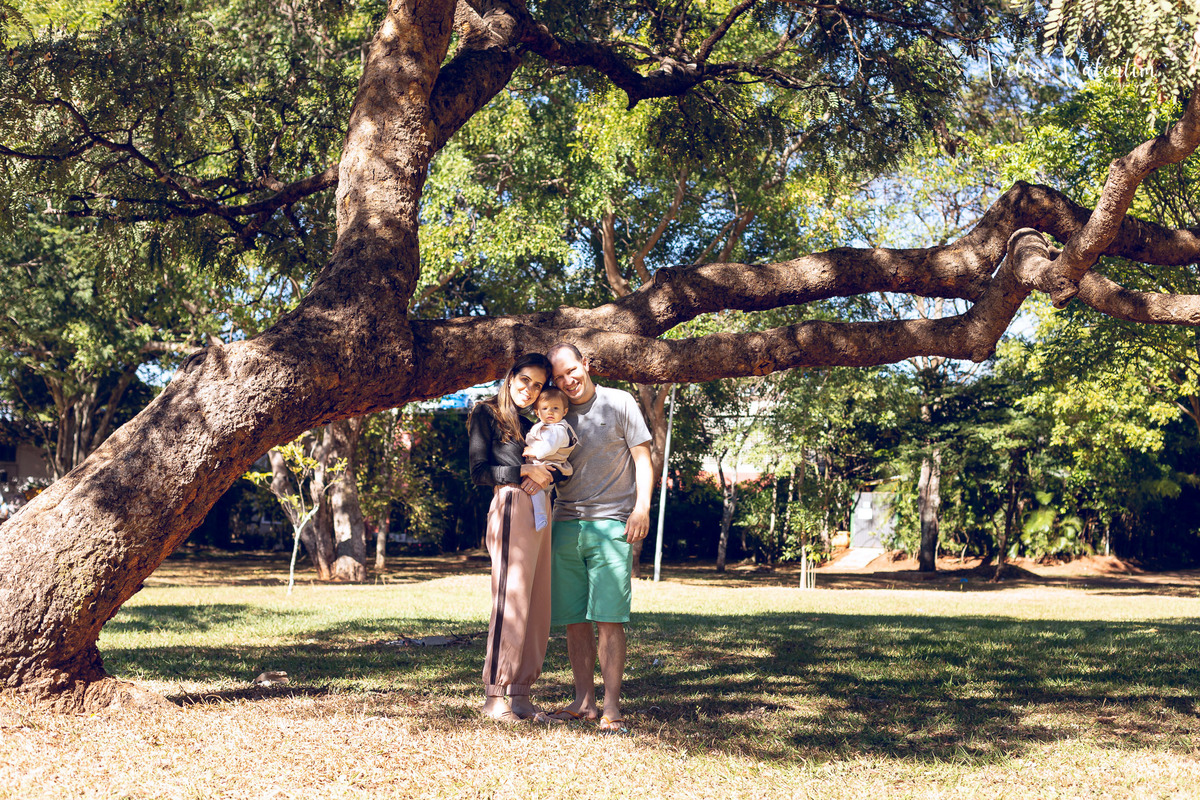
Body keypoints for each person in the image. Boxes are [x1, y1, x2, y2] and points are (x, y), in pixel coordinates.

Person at [545, 343, 653, 731]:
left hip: (612, 524)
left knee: (609, 618)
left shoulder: (619, 402)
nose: (567, 381)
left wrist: (641, 508)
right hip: (565, 523)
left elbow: (643, 457)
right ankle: (584, 701)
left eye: (572, 370)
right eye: (558, 376)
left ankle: (611, 706)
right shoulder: (554, 412)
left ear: (586, 364)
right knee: (574, 619)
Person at [467, 353, 564, 721]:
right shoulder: (486, 412)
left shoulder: (534, 423)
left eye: (538, 385)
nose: (530, 390)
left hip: (542, 509)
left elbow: (555, 467)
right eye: (525, 380)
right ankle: (495, 695)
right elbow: (479, 471)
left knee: (538, 604)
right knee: (512, 599)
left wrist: (549, 475)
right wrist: (523, 469)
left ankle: (521, 693)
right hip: (511, 508)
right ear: (510, 376)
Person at [523, 387, 577, 531]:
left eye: (555, 408)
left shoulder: (558, 430)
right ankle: (538, 516)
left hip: (551, 466)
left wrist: (533, 452)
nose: (550, 412)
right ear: (537, 412)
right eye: (545, 408)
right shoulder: (541, 426)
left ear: (564, 412)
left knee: (537, 489)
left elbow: (549, 448)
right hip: (540, 464)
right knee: (536, 491)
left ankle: (541, 517)